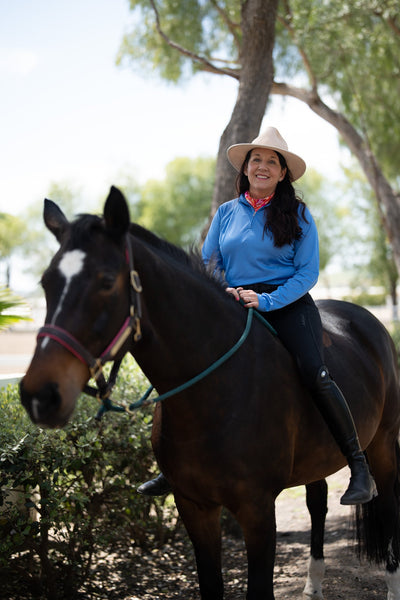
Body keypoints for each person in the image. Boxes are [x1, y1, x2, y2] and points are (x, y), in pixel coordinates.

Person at [137, 126, 377, 506]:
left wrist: (267, 302)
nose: (263, 166)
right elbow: (208, 262)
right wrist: (225, 289)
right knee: (186, 367)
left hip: (287, 304)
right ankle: (175, 467)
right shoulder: (226, 213)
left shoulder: (298, 213)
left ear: (283, 173)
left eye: (272, 161)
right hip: (231, 301)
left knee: (315, 373)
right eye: (256, 159)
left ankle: (358, 465)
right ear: (246, 168)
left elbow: (307, 273)